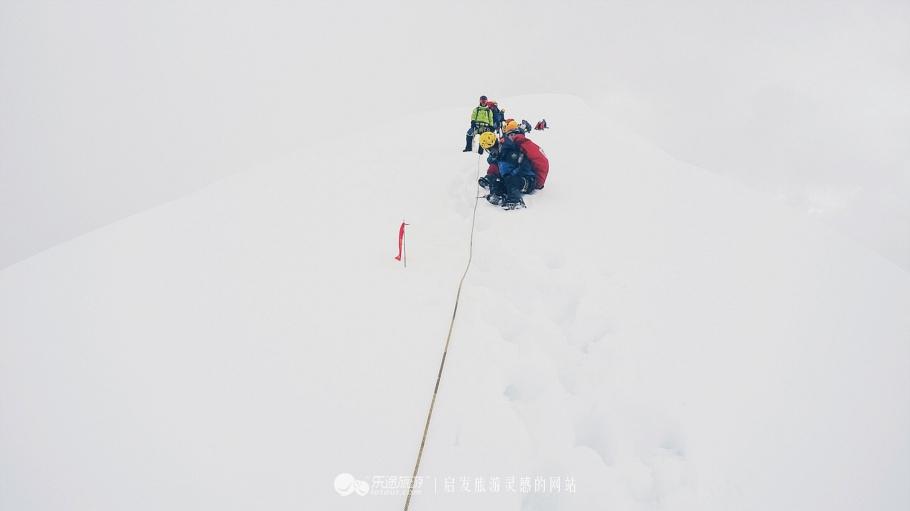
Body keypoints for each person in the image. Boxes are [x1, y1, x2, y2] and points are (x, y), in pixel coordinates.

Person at [477, 121, 549, 210]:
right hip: (518, 179)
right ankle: (499, 196)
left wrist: (538, 182)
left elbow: (520, 167)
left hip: (528, 180)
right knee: (498, 182)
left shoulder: (513, 152)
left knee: (510, 179)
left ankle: (516, 201)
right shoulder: (502, 154)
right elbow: (497, 166)